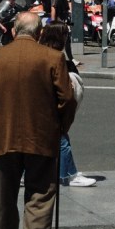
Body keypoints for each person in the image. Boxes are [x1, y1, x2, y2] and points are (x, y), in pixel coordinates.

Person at [0, 11, 75, 229]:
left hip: (3, 137)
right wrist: (61, 127)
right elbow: (67, 98)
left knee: (3, 193)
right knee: (40, 193)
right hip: (42, 137)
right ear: (39, 33)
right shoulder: (53, 58)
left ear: (12, 30)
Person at [35, 22, 95, 188]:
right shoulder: (54, 56)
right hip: (49, 107)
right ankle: (69, 175)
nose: (68, 36)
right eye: (66, 34)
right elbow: (63, 91)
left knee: (50, 141)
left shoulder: (44, 53)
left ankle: (65, 172)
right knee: (61, 139)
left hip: (42, 106)